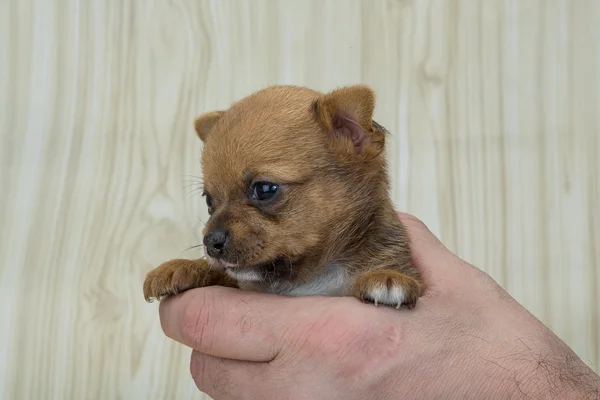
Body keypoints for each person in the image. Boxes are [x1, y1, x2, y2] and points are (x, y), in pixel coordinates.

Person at [158, 213, 600, 399]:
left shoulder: (384, 254)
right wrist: (207, 276)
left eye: (266, 190)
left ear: (353, 137)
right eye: (212, 201)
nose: (214, 231)